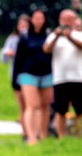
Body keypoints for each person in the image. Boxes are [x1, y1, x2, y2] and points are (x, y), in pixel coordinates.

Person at [43, 9, 82, 138]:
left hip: (78, 78)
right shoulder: (53, 36)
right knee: (61, 110)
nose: (67, 22)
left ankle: (80, 135)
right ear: (60, 20)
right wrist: (58, 35)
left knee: (79, 110)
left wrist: (69, 37)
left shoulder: (80, 34)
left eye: (70, 19)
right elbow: (46, 49)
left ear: (74, 21)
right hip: (60, 78)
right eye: (65, 19)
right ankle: (61, 136)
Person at [14, 9, 53, 144]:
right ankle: (31, 137)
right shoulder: (25, 37)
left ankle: (43, 135)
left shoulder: (49, 36)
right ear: (31, 20)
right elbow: (18, 60)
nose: (38, 21)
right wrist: (15, 81)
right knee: (32, 105)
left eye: (41, 18)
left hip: (46, 74)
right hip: (28, 74)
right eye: (36, 18)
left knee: (44, 106)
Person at [0, 14, 30, 126]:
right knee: (22, 102)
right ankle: (24, 124)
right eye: (21, 25)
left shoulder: (32, 38)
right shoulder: (13, 39)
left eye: (26, 25)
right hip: (16, 73)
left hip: (30, 72)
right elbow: (4, 55)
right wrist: (8, 53)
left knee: (28, 103)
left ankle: (25, 121)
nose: (23, 28)